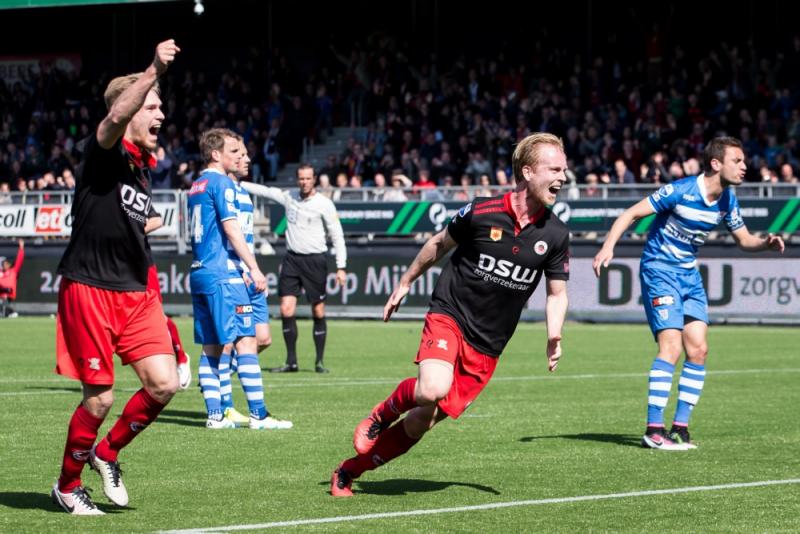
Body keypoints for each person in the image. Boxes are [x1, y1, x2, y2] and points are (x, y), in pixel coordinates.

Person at [330, 132, 570, 497]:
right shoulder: (481, 211)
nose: (562, 178)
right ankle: (380, 414)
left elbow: (557, 293)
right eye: (554, 169)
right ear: (527, 171)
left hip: (488, 345)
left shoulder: (555, 234)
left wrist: (555, 334)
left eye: (564, 170)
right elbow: (438, 245)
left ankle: (349, 470)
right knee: (432, 388)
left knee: (420, 422)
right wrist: (406, 282)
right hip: (450, 315)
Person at [51, 39, 181, 516]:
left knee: (165, 384)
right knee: (100, 398)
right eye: (152, 105)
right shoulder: (104, 149)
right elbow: (109, 123)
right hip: (90, 288)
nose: (161, 113)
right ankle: (67, 485)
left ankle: (107, 453)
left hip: (134, 294)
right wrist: (152, 69)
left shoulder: (142, 170)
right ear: (129, 111)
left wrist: (147, 223)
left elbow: (126, 220)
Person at [593, 137, 785, 451]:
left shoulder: (727, 201)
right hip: (659, 271)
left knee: (698, 349)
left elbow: (744, 240)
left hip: (689, 276)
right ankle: (654, 429)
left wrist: (766, 242)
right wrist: (608, 247)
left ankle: (680, 428)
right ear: (715, 163)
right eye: (737, 160)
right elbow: (630, 214)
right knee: (671, 347)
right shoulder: (679, 191)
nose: (744, 166)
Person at [188, 128, 291, 431]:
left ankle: (216, 414)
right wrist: (255, 268)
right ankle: (256, 414)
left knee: (213, 345)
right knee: (244, 342)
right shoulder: (220, 183)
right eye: (234, 152)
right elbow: (231, 230)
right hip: (225, 273)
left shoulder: (196, 185)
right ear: (216, 154)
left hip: (201, 270)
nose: (242, 157)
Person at [240, 163, 347, 374]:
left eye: (308, 178)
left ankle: (319, 361)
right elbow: (267, 191)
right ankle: (291, 362)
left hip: (315, 260)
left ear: (314, 179)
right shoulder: (289, 196)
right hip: (292, 260)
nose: (304, 182)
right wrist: (238, 182)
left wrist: (341, 266)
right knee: (286, 309)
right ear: (297, 179)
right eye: (301, 178)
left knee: (318, 310)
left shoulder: (324, 204)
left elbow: (337, 235)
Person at [216, 136, 285, 427]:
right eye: (240, 155)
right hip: (235, 275)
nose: (246, 159)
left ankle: (222, 375)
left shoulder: (243, 192)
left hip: (249, 275)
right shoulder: (222, 191)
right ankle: (227, 402)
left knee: (264, 339)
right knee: (231, 343)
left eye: (246, 155)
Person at [0, 239, 24, 318]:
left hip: (8, 294)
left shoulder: (13, 271)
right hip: (1, 293)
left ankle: (9, 312)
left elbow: (19, 260)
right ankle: (6, 312)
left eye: (6, 263)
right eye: (3, 263)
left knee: (3, 301)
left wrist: (21, 248)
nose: (4, 265)